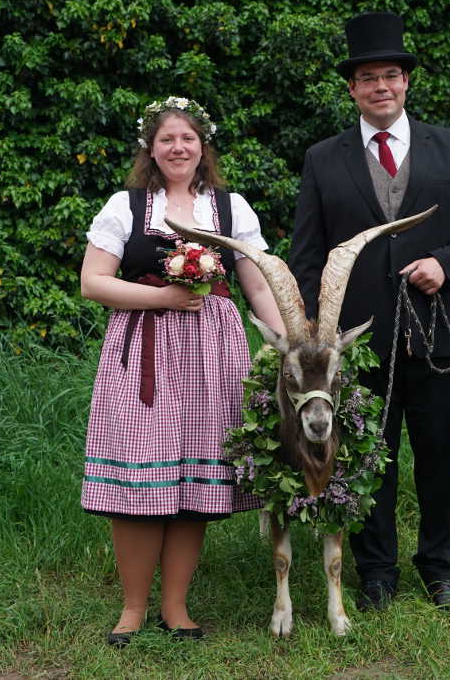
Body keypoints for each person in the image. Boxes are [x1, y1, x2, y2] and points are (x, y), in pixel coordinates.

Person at [289, 12, 450, 611]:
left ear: (407, 82)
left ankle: (441, 570)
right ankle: (376, 573)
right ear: (353, 89)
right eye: (367, 77)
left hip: (440, 339)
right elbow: (307, 254)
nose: (380, 86)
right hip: (358, 345)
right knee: (365, 460)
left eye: (391, 74)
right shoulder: (322, 159)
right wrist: (318, 333)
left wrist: (448, 261)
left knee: (440, 457)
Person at [80, 96, 284, 646]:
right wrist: (165, 297)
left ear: (202, 146)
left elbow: (257, 282)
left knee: (195, 480)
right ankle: (131, 609)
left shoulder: (230, 207)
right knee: (138, 475)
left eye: (187, 138)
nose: (178, 147)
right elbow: (94, 282)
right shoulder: (125, 206)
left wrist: (290, 340)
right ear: (152, 147)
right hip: (143, 350)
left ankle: (176, 608)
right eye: (167, 138)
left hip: (213, 356)